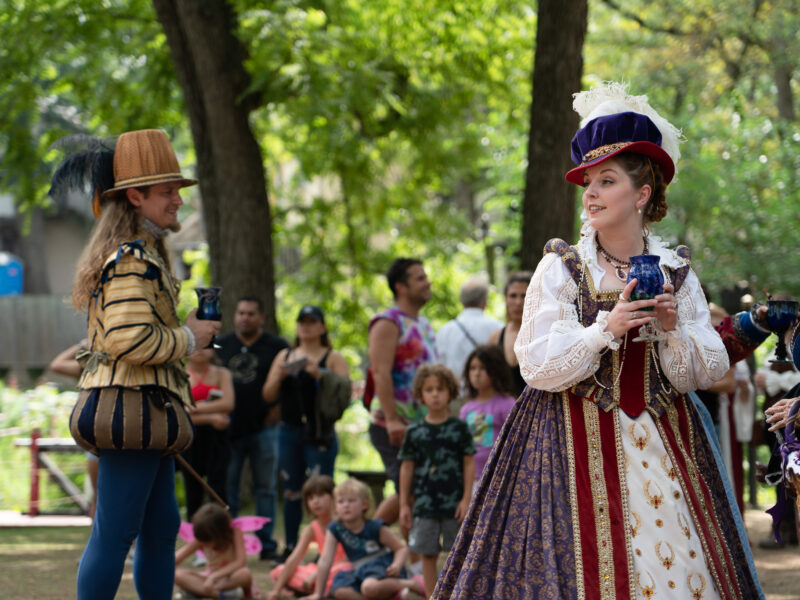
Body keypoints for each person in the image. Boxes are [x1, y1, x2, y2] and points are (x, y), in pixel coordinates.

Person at [433, 83, 762, 599]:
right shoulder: (562, 268)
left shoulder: (677, 272)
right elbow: (536, 366)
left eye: (606, 181)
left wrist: (672, 328)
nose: (590, 193)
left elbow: (700, 373)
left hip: (667, 440)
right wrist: (603, 330)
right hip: (564, 445)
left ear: (643, 193)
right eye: (588, 181)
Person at [54, 129, 220, 600]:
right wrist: (189, 337)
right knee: (116, 532)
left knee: (161, 526)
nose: (177, 202)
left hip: (144, 412)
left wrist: (188, 332)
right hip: (131, 412)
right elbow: (130, 340)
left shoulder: (143, 255)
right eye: (168, 192)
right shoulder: (130, 260)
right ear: (135, 195)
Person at [262, 305, 351, 558]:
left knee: (322, 490)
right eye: (302, 321)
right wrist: (280, 375)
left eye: (312, 321)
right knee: (291, 489)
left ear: (322, 327)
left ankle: (330, 547)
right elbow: (267, 395)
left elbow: (345, 393)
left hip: (320, 432)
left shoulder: (333, 357)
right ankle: (291, 545)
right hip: (289, 432)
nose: (306, 326)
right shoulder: (284, 355)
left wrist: (320, 375)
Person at [365, 258, 437, 527]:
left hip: (421, 427)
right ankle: (367, 545)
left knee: (413, 491)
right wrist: (393, 419)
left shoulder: (424, 324)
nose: (427, 282)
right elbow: (380, 372)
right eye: (419, 278)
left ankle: (369, 542)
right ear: (401, 287)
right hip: (393, 426)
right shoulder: (387, 322)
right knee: (410, 491)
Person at [216, 297, 289, 561]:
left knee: (266, 487)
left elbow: (288, 382)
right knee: (228, 488)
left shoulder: (277, 346)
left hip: (265, 428)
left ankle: (266, 544)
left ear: (261, 317)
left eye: (251, 313)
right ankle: (229, 543)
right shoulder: (221, 345)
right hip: (229, 429)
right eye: (241, 312)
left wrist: (279, 407)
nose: (245, 317)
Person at [398, 364, 475, 598]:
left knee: (457, 552)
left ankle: (456, 593)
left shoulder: (459, 428)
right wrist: (403, 504)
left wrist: (466, 498)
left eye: (440, 389)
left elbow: (469, 463)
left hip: (455, 504)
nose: (434, 394)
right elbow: (407, 467)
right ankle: (432, 595)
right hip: (424, 504)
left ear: (450, 392)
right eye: (429, 389)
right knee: (427, 553)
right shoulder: (415, 431)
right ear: (420, 395)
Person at [306, 479, 425, 600]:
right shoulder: (335, 528)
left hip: (382, 567)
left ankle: (410, 584)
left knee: (369, 587)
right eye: (341, 502)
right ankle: (394, 595)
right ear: (335, 507)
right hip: (359, 570)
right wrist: (318, 594)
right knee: (339, 590)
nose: (346, 505)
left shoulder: (375, 526)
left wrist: (397, 565)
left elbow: (401, 548)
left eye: (351, 500)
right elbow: (325, 560)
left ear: (364, 504)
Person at [267, 475, 352, 599]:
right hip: (321, 572)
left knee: (342, 570)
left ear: (334, 497)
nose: (315, 501)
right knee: (280, 571)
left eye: (321, 495)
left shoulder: (344, 523)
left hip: (339, 569)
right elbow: (295, 558)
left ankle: (318, 589)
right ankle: (321, 589)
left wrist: (317, 574)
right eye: (311, 498)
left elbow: (349, 558)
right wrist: (276, 590)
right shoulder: (313, 527)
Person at [181, 347, 235, 520]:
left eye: (205, 346)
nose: (200, 350)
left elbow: (228, 403)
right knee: (192, 488)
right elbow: (181, 412)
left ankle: (222, 529)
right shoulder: (180, 375)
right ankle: (193, 533)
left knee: (219, 486)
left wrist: (195, 408)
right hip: (190, 437)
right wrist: (211, 416)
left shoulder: (222, 373)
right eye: (195, 346)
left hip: (217, 438)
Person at [49, 340, 98, 518]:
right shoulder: (93, 365)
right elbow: (57, 364)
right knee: (98, 497)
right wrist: (82, 345)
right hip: (97, 437)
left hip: (125, 434)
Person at [458, 345, 515, 482]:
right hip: (472, 477)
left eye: (483, 368)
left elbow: (515, 441)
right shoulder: (466, 409)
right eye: (473, 368)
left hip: (499, 477)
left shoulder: (507, 404)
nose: (477, 373)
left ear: (496, 371)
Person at [174, 503, 253, 599]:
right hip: (208, 580)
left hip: (229, 578)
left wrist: (214, 577)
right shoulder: (202, 538)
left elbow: (241, 562)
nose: (204, 544)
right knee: (176, 574)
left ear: (220, 534)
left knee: (245, 574)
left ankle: (198, 591)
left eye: (207, 541)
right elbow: (176, 558)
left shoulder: (235, 532)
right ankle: (218, 595)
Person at [435, 276, 502, 385]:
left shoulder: (445, 331)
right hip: (488, 394)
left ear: (462, 301)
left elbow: (439, 366)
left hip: (455, 395)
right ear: (484, 302)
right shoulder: (498, 327)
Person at [487, 271, 532, 398]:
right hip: (503, 413)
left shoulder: (542, 334)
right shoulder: (495, 338)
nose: (518, 302)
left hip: (535, 411)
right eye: (513, 296)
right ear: (506, 299)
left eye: (524, 296)